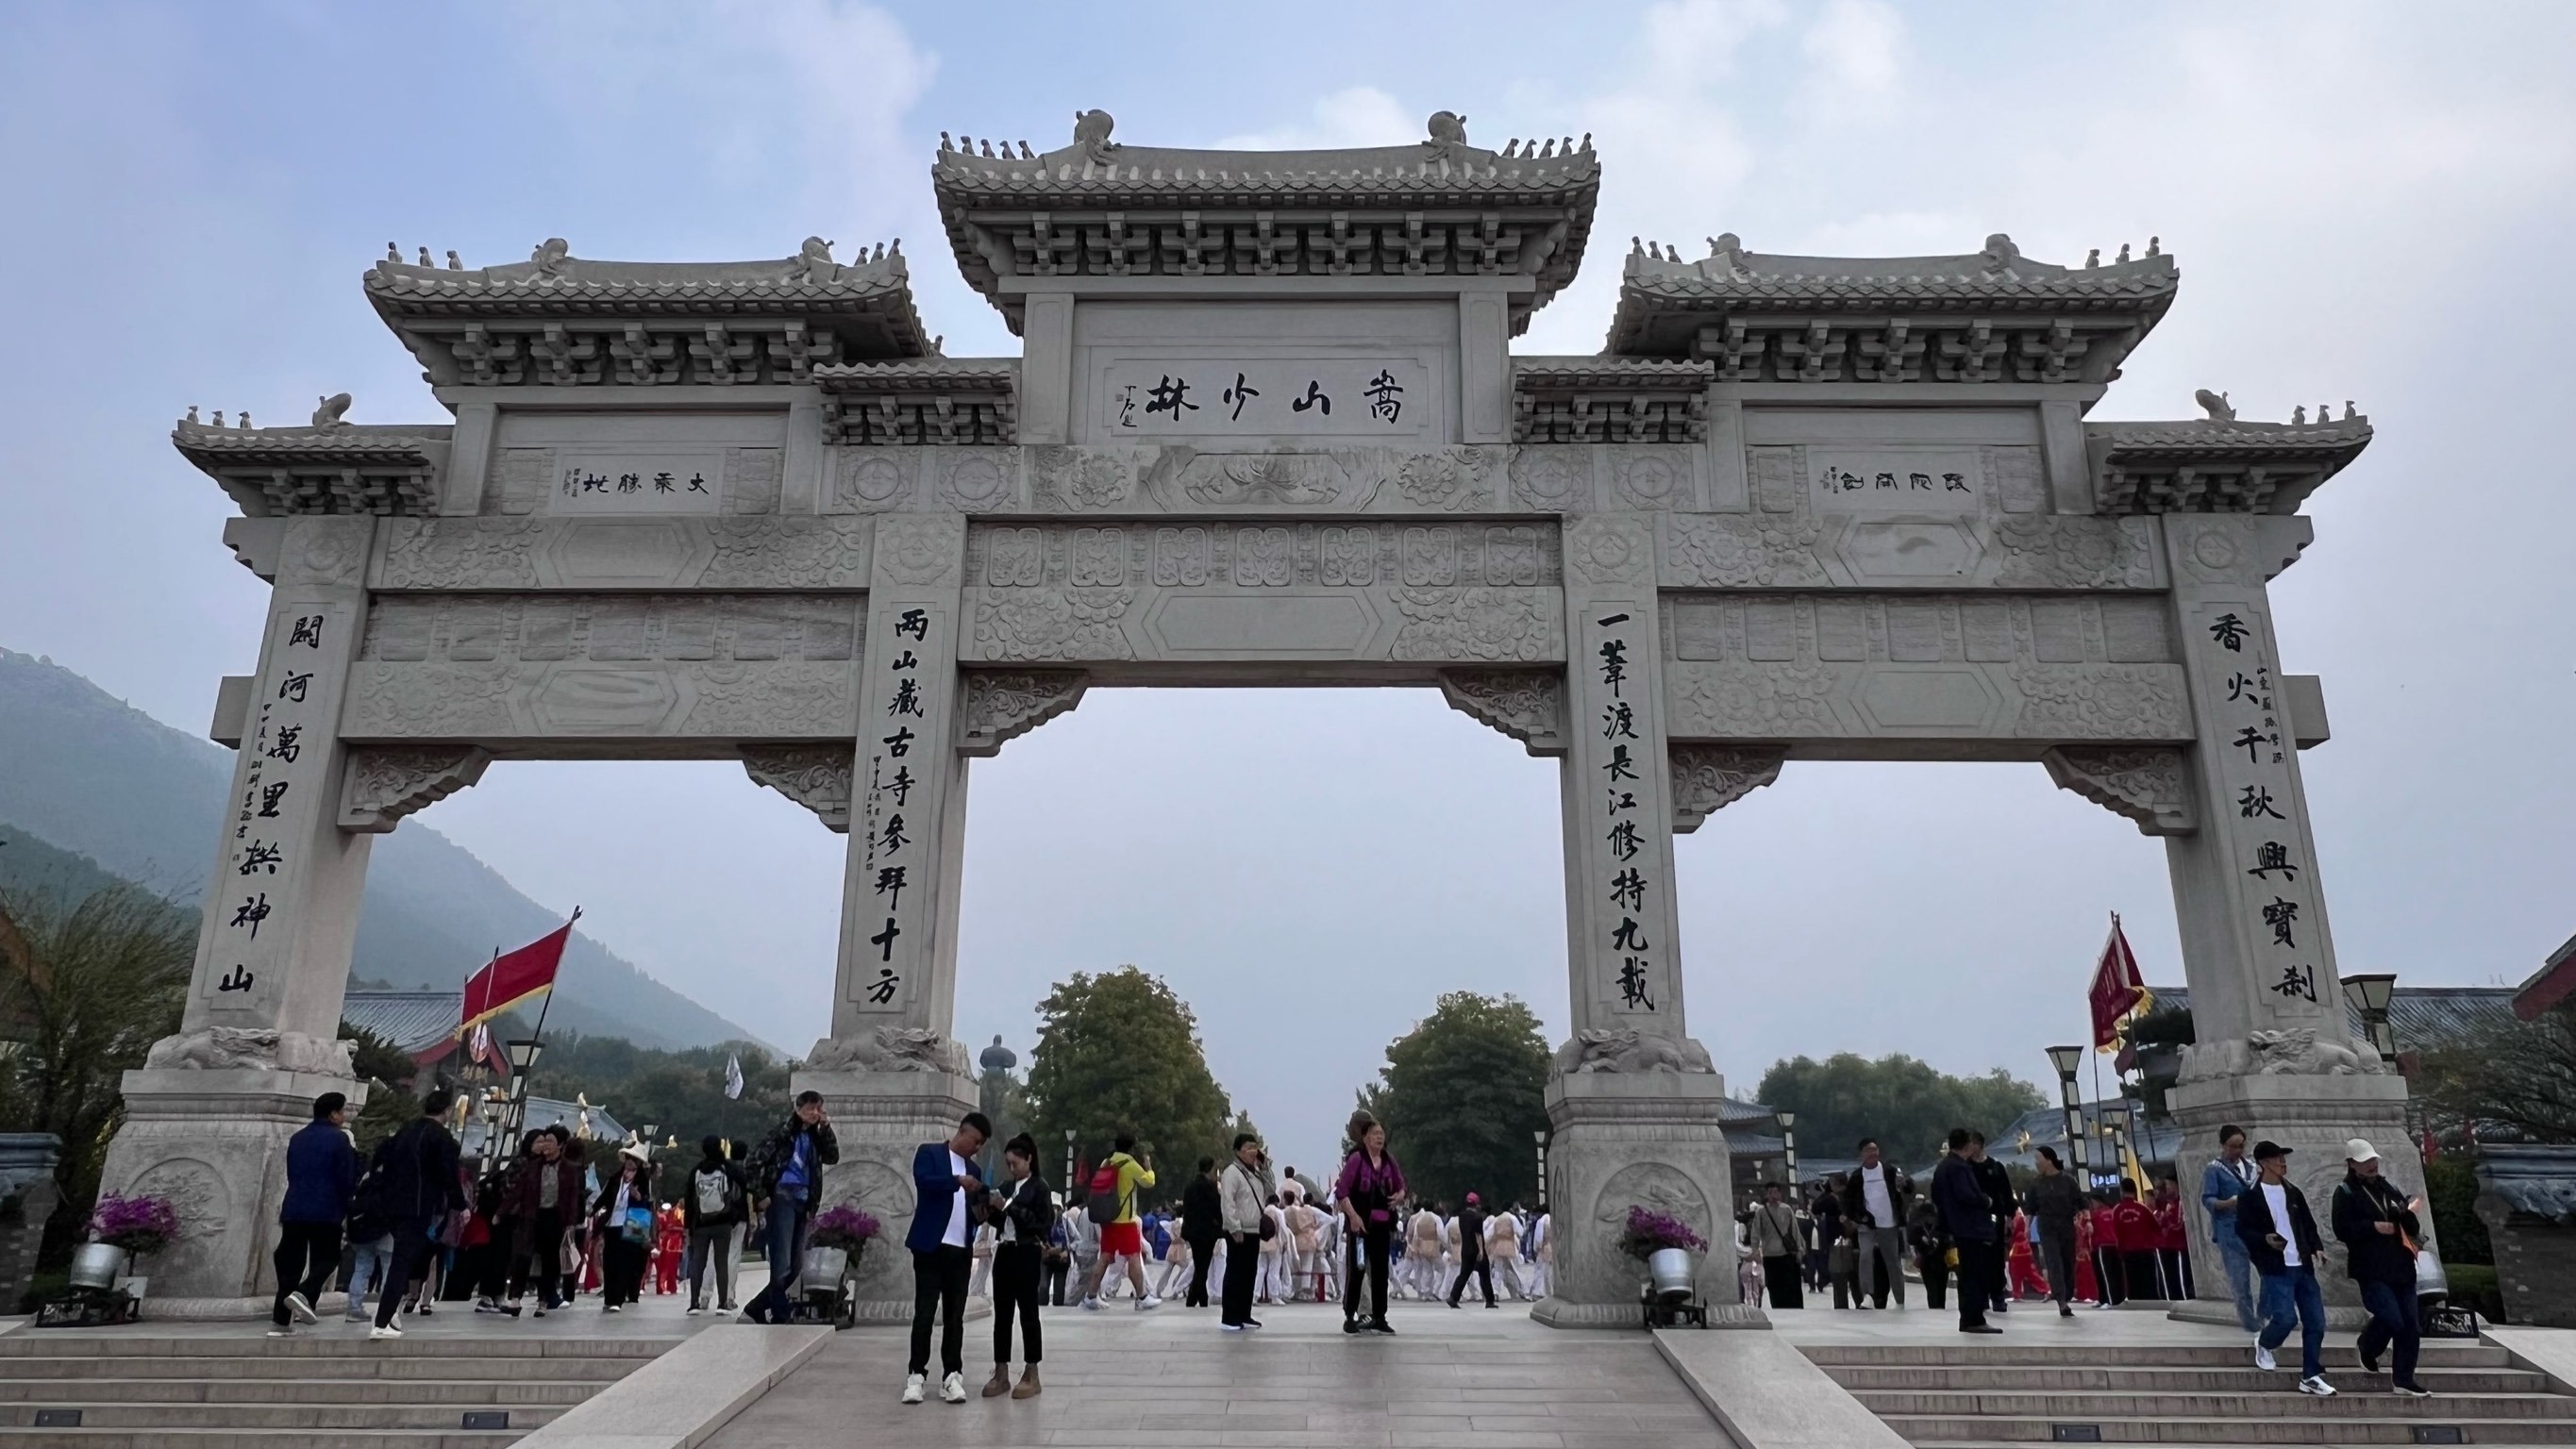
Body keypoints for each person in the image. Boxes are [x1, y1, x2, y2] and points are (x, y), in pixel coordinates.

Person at [900, 1110, 989, 1406]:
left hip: (960, 1250)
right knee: (925, 1312)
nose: (975, 1148)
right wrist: (956, 1181)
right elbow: (924, 1181)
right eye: (974, 1141)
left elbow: (976, 1211)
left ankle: (952, 1375)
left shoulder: (974, 1171)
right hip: (930, 1246)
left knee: (955, 1317)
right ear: (962, 1132)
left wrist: (986, 1205)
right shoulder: (929, 1153)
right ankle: (916, 1375)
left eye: (980, 1145)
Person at [2331, 1139, 2432, 1398]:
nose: (2372, 1165)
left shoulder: (2389, 1187)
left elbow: (2409, 1224)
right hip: (2371, 1267)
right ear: (2352, 1164)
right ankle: (2368, 1346)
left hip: (2401, 1264)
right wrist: (2372, 1227)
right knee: (2391, 1317)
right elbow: (2341, 1229)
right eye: (2365, 1161)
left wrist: (2407, 1214)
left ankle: (2404, 1379)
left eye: (2373, 1160)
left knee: (2411, 1324)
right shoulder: (2345, 1192)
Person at [2236, 1140, 2334, 1396]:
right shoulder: (2251, 1195)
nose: (2283, 1163)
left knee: (2316, 1321)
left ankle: (2310, 1375)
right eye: (2278, 1159)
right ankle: (2266, 1342)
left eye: (2283, 1158)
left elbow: (2308, 1224)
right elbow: (2243, 1229)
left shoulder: (2293, 1192)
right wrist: (2263, 1239)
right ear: (2264, 1163)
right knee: (2286, 1318)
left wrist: (2317, 1247)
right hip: (2275, 1266)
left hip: (2302, 1264)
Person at [366, 1088, 465, 1340]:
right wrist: (460, 1205)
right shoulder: (441, 1138)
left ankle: (389, 1316)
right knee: (402, 1262)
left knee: (401, 1260)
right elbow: (449, 1175)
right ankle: (383, 1321)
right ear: (447, 1111)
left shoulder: (405, 1130)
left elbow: (381, 1157)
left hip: (392, 1204)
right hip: (419, 1205)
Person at [744, 1091, 840, 1324]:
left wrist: (826, 1129)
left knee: (795, 1265)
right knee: (782, 1261)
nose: (815, 1113)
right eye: (810, 1109)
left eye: (818, 1109)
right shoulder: (783, 1132)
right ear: (798, 1108)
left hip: (805, 1201)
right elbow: (753, 1162)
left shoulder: (815, 1136)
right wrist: (761, 1195)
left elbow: (832, 1157)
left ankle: (757, 1306)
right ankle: (780, 1314)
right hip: (783, 1198)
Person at [270, 1091, 360, 1335]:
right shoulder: (339, 1139)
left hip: (295, 1207)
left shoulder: (298, 1138)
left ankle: (281, 1319)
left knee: (291, 1263)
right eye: (342, 1111)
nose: (343, 1116)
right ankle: (305, 1292)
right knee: (328, 1258)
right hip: (326, 1209)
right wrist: (346, 1206)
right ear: (333, 1113)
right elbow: (346, 1178)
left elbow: (292, 1172)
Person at [981, 1132, 1050, 1400]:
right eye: (1008, 1164)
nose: (1012, 1168)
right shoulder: (1007, 1187)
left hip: (1027, 1252)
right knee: (1003, 1315)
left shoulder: (1039, 1187)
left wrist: (1008, 1207)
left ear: (1028, 1159)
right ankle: (1001, 1370)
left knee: (1028, 1313)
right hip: (1006, 1251)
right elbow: (1001, 1223)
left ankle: (1032, 1371)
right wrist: (991, 1208)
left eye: (1016, 1163)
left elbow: (1040, 1224)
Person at [1336, 1110, 1404, 1334]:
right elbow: (1342, 1192)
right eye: (1375, 1133)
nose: (1379, 1137)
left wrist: (1400, 1195)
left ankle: (1380, 1316)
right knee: (1358, 1269)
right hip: (1360, 1225)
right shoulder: (1356, 1159)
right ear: (1364, 1137)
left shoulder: (1388, 1160)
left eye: (1381, 1133)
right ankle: (1350, 1315)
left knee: (1380, 1271)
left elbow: (1400, 1185)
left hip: (1382, 1224)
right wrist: (1353, 1217)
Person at [1079, 1132, 1161, 1311]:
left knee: (1105, 1257)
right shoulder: (1130, 1164)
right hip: (1125, 1220)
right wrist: (1148, 1166)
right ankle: (1142, 1297)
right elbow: (1148, 1182)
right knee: (1133, 1257)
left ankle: (1091, 1296)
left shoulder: (1106, 1162)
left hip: (1107, 1218)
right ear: (1131, 1148)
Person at [505, 1127, 581, 1317]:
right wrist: (502, 1211)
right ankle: (515, 1298)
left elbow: (573, 1198)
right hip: (532, 1215)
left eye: (550, 1141)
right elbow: (519, 1191)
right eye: (544, 1140)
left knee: (549, 1261)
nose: (546, 1144)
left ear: (561, 1145)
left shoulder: (569, 1169)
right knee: (523, 1257)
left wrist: (571, 1223)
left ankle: (543, 1301)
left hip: (554, 1218)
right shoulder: (533, 1166)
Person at [1932, 1128, 1999, 1334]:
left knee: (1967, 1275)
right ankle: (1974, 1318)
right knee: (1974, 1275)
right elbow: (1966, 1195)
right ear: (1967, 1144)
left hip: (1955, 1226)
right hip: (1970, 1228)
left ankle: (1969, 1317)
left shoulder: (1943, 1167)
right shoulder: (1959, 1167)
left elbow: (1936, 1195)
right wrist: (1985, 1200)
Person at [2200, 1124, 2263, 1333]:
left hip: (2254, 1228)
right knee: (2240, 1282)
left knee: (2271, 1275)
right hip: (2230, 1230)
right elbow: (2207, 1199)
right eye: (2232, 1146)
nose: (2237, 1151)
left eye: (2241, 1146)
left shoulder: (2252, 1168)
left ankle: (2265, 1316)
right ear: (2223, 1145)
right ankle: (2251, 1325)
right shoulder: (2215, 1169)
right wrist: (2227, 1203)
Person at [682, 1134, 747, 1314]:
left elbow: (689, 1200)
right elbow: (743, 1184)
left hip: (701, 1223)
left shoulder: (696, 1171)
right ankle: (722, 1303)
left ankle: (695, 1302)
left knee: (699, 1262)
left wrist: (688, 1226)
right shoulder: (727, 1168)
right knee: (721, 1261)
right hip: (723, 1222)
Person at [1843, 1139, 1912, 1309]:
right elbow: (1849, 1201)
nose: (1873, 1153)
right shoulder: (1858, 1176)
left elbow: (1908, 1188)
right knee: (1865, 1256)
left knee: (1892, 1261)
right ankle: (1867, 1295)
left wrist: (1905, 1184)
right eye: (1868, 1150)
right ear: (1862, 1154)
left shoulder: (1889, 1171)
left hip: (1888, 1223)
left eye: (1875, 1149)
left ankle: (1900, 1299)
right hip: (1867, 1224)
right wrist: (1854, 1218)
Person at [1217, 1131, 1274, 1330]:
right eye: (1248, 1147)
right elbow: (1228, 1202)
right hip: (1238, 1230)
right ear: (1237, 1151)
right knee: (1235, 1272)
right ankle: (1229, 1317)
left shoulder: (1255, 1173)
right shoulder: (1231, 1173)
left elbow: (1271, 1190)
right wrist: (1234, 1227)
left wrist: (1265, 1167)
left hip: (1254, 1229)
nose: (1252, 1151)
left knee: (1249, 1273)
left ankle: (1244, 1314)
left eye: (1254, 1146)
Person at [2022, 1146, 2084, 1319]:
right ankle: (2061, 1302)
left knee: (2067, 1262)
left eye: (2038, 1159)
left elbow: (2080, 1201)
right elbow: (2030, 1209)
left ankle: (2067, 1293)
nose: (2036, 1163)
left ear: (2049, 1160)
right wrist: (2027, 1227)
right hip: (2047, 1226)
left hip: (2065, 1225)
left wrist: (2086, 1220)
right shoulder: (2036, 1184)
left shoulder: (2068, 1181)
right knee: (2053, 1262)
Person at [591, 1145, 653, 1311]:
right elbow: (604, 1197)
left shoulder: (642, 1180)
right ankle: (609, 1297)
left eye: (634, 1160)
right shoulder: (616, 1177)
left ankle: (619, 1298)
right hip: (613, 1222)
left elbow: (647, 1202)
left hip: (633, 1223)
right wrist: (592, 1210)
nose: (630, 1162)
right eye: (628, 1158)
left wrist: (638, 1196)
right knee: (610, 1261)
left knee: (626, 1261)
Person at [1969, 1134, 2016, 1313]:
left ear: (1979, 1145)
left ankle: (1998, 1295)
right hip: (1974, 1217)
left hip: (1995, 1216)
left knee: (1996, 1257)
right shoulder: (1966, 1167)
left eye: (1972, 1143)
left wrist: (2010, 1217)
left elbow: (2006, 1191)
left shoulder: (1995, 1167)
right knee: (1978, 1258)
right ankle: (1981, 1297)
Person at [1179, 1157, 1222, 1308]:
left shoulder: (1189, 1186)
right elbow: (1217, 1207)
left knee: (1199, 1264)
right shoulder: (1209, 1187)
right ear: (1210, 1169)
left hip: (1191, 1230)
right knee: (1203, 1266)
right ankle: (1192, 1299)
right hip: (1206, 1231)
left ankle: (1202, 1298)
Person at [2112, 1179, 2162, 1300]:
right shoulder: (2143, 1208)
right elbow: (2157, 1227)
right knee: (2149, 1282)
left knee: (2133, 1283)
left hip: (2128, 1253)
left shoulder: (2117, 1210)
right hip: (2146, 1251)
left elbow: (2116, 1232)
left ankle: (2136, 1305)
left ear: (2121, 1191)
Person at [1447, 1191, 1496, 1308]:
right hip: (1475, 1249)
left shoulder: (1461, 1216)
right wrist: (1481, 1252)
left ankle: (1453, 1297)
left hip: (1465, 1249)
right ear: (1476, 1204)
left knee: (1463, 1275)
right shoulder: (1477, 1217)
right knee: (1485, 1275)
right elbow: (1478, 1235)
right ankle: (1490, 1300)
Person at [2152, 1174, 2193, 1300]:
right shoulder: (2168, 1204)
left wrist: (2167, 1224)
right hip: (2168, 1245)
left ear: (2176, 1185)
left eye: (2168, 1185)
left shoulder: (2182, 1202)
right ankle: (2173, 1299)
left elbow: (2178, 1224)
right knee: (2170, 1277)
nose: (2167, 1188)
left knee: (2182, 1278)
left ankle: (2185, 1299)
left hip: (2179, 1245)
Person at [1905, 1193, 1949, 1311]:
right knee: (1931, 1288)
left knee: (1941, 1287)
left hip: (1941, 1259)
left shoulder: (1940, 1224)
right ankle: (1934, 1308)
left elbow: (1948, 1238)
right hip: (1926, 1259)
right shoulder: (1917, 1225)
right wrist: (1922, 1239)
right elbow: (1911, 1239)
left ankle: (1940, 1307)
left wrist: (1938, 1239)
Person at [2087, 1191, 2127, 1306]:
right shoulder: (2113, 1212)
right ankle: (2110, 1298)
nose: (2092, 1204)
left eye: (2093, 1202)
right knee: (2114, 1274)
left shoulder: (2095, 1215)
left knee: (2104, 1274)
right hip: (2114, 1246)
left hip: (2101, 1246)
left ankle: (2108, 1300)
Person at [1484, 1202, 1529, 1302]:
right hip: (1510, 1245)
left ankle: (1495, 1292)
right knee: (1516, 1269)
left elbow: (1488, 1235)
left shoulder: (1497, 1219)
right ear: (1510, 1209)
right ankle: (1524, 1291)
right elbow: (1520, 1232)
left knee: (1498, 1270)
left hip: (1498, 1246)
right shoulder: (1512, 1218)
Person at [1404, 1198, 1444, 1302]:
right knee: (1441, 1269)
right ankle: (1434, 1290)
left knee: (1427, 1270)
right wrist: (1444, 1245)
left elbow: (1416, 1234)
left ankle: (1426, 1292)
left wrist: (1416, 1247)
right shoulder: (1436, 1218)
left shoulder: (1420, 1219)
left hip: (1422, 1246)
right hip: (1433, 1246)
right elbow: (1441, 1233)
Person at [654, 1202, 686, 1296]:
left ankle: (671, 1287)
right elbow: (667, 1226)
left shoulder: (680, 1212)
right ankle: (662, 1287)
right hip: (667, 1244)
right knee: (664, 1266)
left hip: (675, 1244)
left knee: (673, 1267)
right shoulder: (672, 1213)